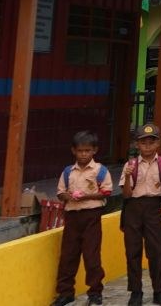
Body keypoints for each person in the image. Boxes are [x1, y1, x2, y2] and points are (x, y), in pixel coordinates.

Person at [52, 130, 113, 306]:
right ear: (73, 151)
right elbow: (60, 192)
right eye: (80, 151)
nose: (84, 154)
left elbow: (105, 193)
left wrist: (86, 196)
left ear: (94, 150)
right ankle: (65, 292)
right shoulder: (67, 172)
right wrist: (67, 197)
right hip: (71, 216)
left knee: (91, 256)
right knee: (68, 256)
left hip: (91, 216)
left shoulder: (100, 170)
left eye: (87, 150)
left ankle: (94, 292)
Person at [120, 122, 161, 306]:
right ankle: (135, 291)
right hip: (133, 208)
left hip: (153, 208)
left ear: (158, 143)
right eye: (143, 142)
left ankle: (159, 290)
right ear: (137, 144)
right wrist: (127, 176)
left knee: (157, 250)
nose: (147, 146)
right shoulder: (131, 165)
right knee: (133, 251)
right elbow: (126, 194)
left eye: (151, 142)